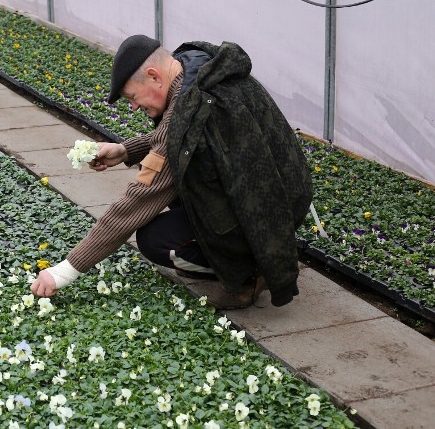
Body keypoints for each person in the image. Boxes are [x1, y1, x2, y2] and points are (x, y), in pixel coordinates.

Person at [30, 35, 313, 309]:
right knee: (185, 195)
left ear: (154, 76)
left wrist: (64, 271)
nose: (134, 106)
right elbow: (177, 141)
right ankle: (253, 253)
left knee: (155, 239)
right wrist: (126, 150)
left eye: (132, 96)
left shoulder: (188, 113)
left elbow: (137, 200)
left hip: (264, 219)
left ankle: (249, 273)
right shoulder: (201, 66)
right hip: (283, 196)